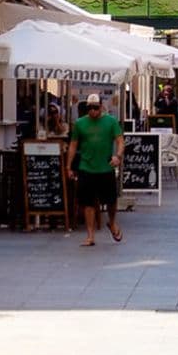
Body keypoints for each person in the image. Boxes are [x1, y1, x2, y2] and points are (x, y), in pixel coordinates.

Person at [66, 93, 124, 247]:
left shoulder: (110, 122)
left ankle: (111, 223)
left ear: (101, 106)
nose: (93, 111)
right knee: (88, 202)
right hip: (86, 166)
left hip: (106, 167)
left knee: (111, 200)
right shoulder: (79, 123)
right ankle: (90, 235)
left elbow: (120, 140)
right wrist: (69, 166)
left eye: (96, 108)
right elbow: (73, 145)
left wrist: (117, 156)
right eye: (90, 108)